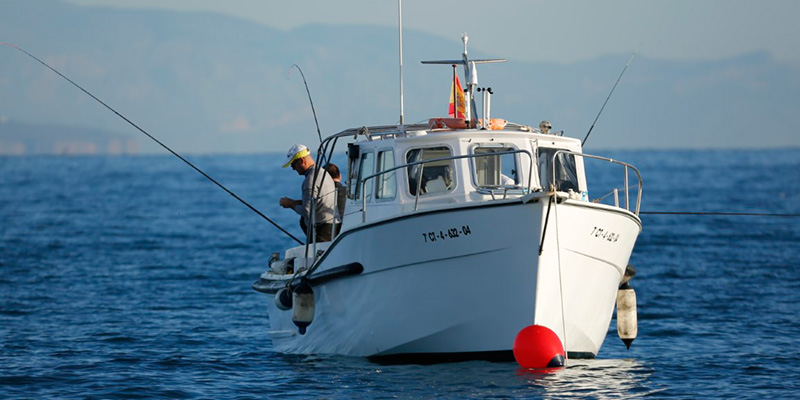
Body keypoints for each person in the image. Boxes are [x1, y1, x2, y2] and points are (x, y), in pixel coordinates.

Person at [279, 144, 336, 242]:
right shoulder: (323, 173)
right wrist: (296, 202)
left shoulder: (310, 180)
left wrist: (290, 204)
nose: (293, 168)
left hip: (322, 231)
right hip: (333, 226)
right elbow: (318, 201)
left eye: (293, 165)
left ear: (301, 161)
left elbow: (307, 212)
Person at [323, 163, 347, 235]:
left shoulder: (323, 194)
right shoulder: (350, 192)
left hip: (329, 231)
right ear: (340, 176)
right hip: (347, 227)